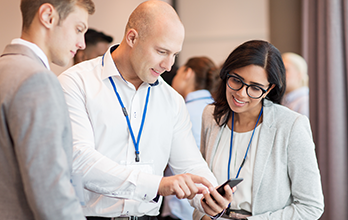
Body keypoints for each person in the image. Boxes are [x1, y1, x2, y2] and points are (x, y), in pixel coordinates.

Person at [58, 1, 233, 219]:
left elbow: (190, 164)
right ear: (132, 38)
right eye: (162, 51)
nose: (169, 65)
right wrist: (157, 185)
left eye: (175, 55)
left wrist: (209, 195)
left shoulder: (172, 101)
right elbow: (80, 161)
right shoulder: (76, 83)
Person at [194, 40, 324, 220]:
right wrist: (203, 215)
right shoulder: (211, 115)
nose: (241, 94)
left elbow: (311, 207)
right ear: (226, 74)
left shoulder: (291, 125)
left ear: (269, 88)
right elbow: (201, 184)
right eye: (236, 80)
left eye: (255, 87)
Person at [0, 0, 95, 219]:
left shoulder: (4, 70)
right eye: (78, 29)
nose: (81, 44)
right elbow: (51, 190)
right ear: (48, 16)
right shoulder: (37, 80)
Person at [161, 56, 218, 220]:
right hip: (211, 204)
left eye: (177, 72)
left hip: (180, 203)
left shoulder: (180, 111)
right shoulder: (219, 111)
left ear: (187, 73)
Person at [281, 52, 309, 117]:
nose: (281, 75)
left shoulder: (305, 102)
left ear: (300, 74)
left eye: (286, 70)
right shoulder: (285, 100)